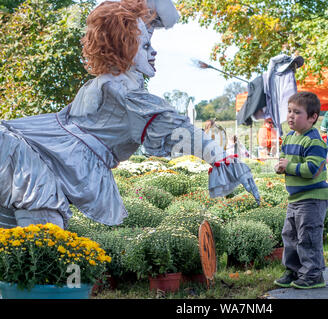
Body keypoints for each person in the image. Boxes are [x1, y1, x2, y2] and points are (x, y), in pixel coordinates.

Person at [0, 0, 260, 230]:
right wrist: (224, 159)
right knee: (45, 237)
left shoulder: (103, 83)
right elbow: (180, 129)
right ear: (124, 47)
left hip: (30, 150)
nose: (154, 51)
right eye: (145, 45)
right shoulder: (125, 94)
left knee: (36, 235)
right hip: (29, 159)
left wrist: (149, 16)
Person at [273, 91, 328, 289]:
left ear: (313, 117)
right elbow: (284, 159)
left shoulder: (313, 141)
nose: (290, 115)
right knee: (290, 235)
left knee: (308, 236)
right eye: (289, 111)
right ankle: (294, 269)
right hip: (295, 198)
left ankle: (313, 273)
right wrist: (280, 167)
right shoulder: (289, 138)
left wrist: (288, 166)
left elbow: (312, 170)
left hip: (312, 198)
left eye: (297, 112)